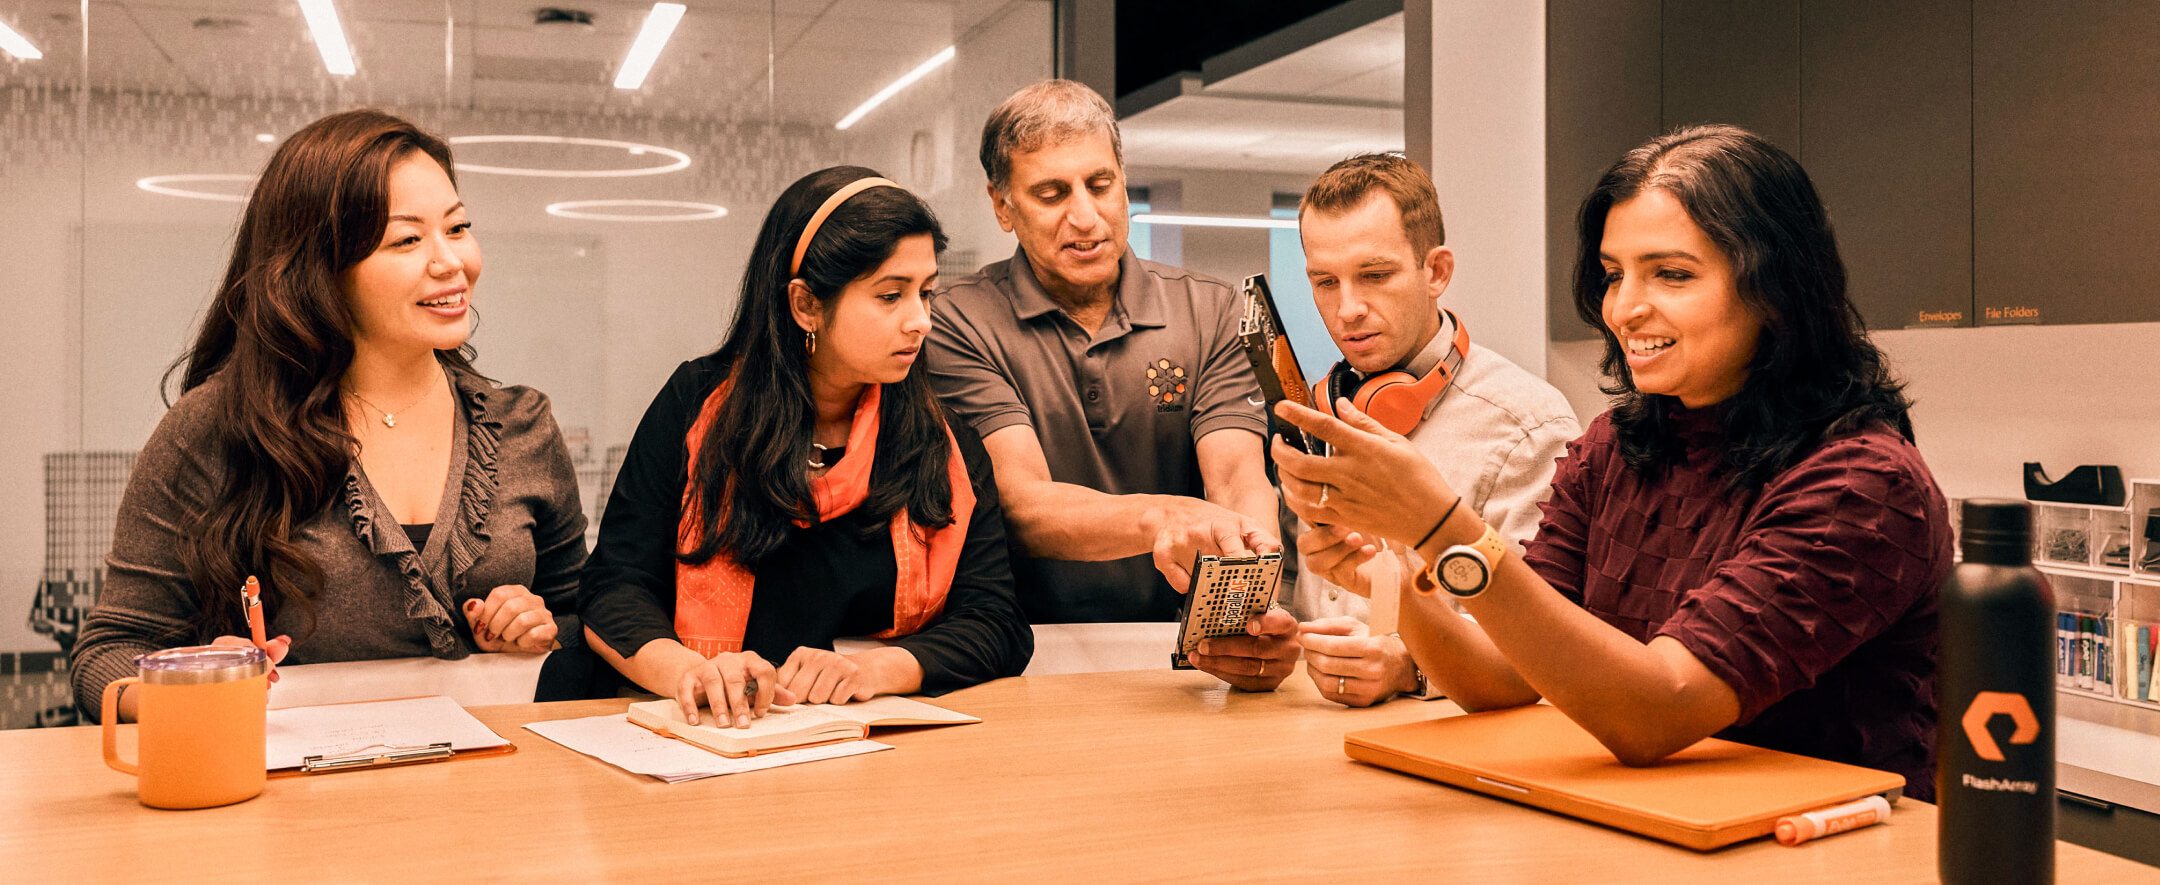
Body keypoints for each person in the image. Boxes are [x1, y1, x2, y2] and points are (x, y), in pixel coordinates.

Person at [1273, 125, 1948, 799]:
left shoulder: (1864, 485)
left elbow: (1657, 711)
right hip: (1659, 827)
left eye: (1672, 274)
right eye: (1613, 275)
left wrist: (1440, 525)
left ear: (1775, 285)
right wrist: (1399, 577)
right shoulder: (1617, 445)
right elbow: (1507, 675)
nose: (1623, 308)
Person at [72, 109, 586, 720]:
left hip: (489, 792)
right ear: (321, 269)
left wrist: (537, 628)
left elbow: (587, 620)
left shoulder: (520, 424)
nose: (452, 262)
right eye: (407, 239)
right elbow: (107, 653)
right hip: (292, 802)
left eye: (458, 227)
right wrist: (195, 686)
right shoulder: (217, 428)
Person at [579, 167, 1032, 729]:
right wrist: (689, 672)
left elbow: (997, 623)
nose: (921, 322)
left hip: (868, 745)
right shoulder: (697, 406)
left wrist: (874, 670)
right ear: (805, 305)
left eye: (926, 293)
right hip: (704, 735)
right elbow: (612, 588)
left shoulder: (945, 444)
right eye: (891, 296)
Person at [928, 79, 1295, 689]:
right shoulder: (957, 320)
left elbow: (1235, 479)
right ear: (1002, 206)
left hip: (1182, 650)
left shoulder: (1211, 311)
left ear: (1124, 181)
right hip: (1020, 653)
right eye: (1050, 194)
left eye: (1100, 185)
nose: (1085, 216)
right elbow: (1022, 502)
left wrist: (1249, 614)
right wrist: (1165, 517)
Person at [1285, 153, 1579, 707]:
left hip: (1457, 746)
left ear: (1436, 272)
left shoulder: (1526, 426)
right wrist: (1274, 638)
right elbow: (1299, 593)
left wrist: (1408, 666)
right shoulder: (1317, 414)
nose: (1347, 309)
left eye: (1374, 275)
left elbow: (1544, 642)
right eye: (1325, 282)